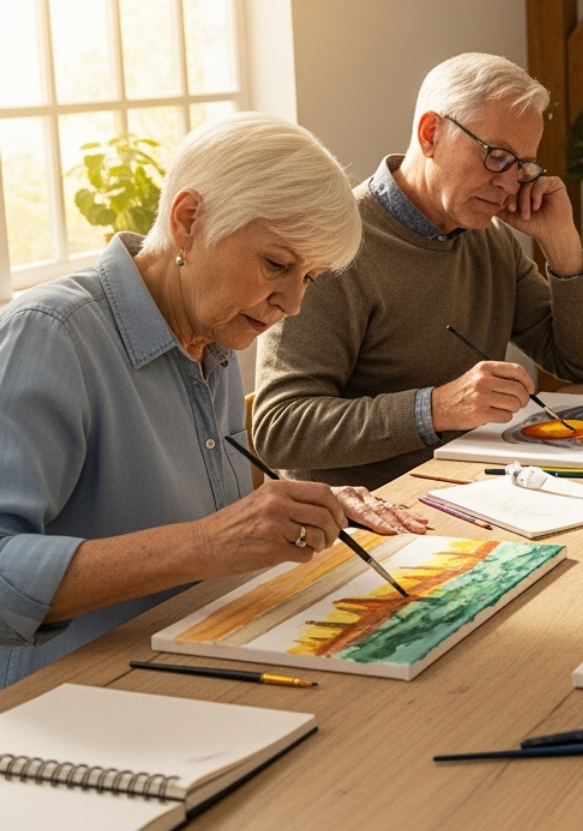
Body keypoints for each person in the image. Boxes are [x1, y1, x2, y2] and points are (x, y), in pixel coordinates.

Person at [0, 113, 427, 688]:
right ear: (188, 220)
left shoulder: (212, 333)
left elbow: (193, 486)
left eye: (311, 277)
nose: (292, 304)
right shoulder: (51, 334)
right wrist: (206, 545)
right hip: (70, 701)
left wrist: (300, 503)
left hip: (198, 668)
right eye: (277, 264)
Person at [254, 53, 583, 489]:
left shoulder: (490, 238)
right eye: (497, 156)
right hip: (365, 522)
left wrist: (562, 244)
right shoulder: (331, 247)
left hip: (475, 494)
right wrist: (437, 409)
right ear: (430, 134)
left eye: (522, 166)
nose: (509, 182)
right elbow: (281, 429)